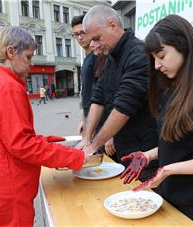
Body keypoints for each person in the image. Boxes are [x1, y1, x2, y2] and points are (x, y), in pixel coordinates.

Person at [120, 15, 193, 227]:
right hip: (169, 194)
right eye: (154, 58)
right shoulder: (172, 88)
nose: (156, 65)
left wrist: (168, 169)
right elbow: (179, 141)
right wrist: (148, 156)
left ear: (183, 46)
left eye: (162, 56)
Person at [0, 26, 93, 227]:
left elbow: (6, 136)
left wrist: (54, 142)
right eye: (28, 57)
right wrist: (75, 157)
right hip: (9, 185)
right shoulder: (6, 86)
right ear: (10, 52)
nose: (31, 63)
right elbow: (20, 144)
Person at [76, 5, 159, 182]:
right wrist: (87, 138)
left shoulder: (138, 54)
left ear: (112, 25)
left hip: (144, 151)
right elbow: (97, 98)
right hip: (125, 148)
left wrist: (94, 145)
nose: (95, 46)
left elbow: (124, 107)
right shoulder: (111, 57)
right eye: (91, 41)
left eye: (97, 38)